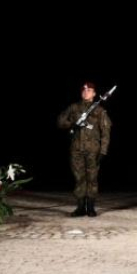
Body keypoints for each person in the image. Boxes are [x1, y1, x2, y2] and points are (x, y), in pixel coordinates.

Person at [57, 82, 112, 217]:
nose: (86, 92)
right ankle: (80, 207)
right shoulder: (74, 108)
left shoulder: (99, 110)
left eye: (89, 90)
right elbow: (60, 121)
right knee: (79, 177)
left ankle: (91, 206)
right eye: (84, 90)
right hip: (76, 148)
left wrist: (103, 151)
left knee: (92, 178)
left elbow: (106, 132)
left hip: (93, 149)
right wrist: (73, 124)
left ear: (94, 94)